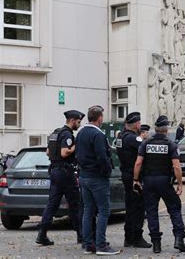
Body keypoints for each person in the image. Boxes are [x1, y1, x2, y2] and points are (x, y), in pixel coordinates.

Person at [133, 115, 185, 254]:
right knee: (174, 208)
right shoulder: (171, 145)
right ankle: (179, 239)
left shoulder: (146, 143)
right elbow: (176, 167)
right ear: (166, 130)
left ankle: (156, 244)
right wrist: (180, 183)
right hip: (164, 181)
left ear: (155, 129)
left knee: (151, 211)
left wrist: (135, 180)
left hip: (149, 181)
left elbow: (138, 163)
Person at [76, 105, 121, 255]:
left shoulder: (80, 133)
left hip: (84, 175)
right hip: (97, 176)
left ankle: (88, 244)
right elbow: (102, 156)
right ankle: (101, 245)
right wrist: (107, 171)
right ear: (100, 118)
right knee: (103, 210)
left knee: (88, 211)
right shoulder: (98, 135)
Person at [36, 110, 84, 246]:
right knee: (75, 204)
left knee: (52, 204)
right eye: (79, 122)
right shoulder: (67, 134)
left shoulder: (56, 133)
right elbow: (64, 152)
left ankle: (42, 234)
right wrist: (76, 145)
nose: (79, 125)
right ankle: (81, 235)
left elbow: (48, 152)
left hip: (54, 171)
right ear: (73, 120)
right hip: (65, 172)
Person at [115, 112, 151, 248]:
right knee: (138, 207)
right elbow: (146, 151)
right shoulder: (134, 139)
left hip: (125, 174)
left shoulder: (120, 137)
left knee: (130, 207)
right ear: (136, 124)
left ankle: (128, 237)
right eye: (139, 123)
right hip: (135, 176)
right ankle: (137, 237)